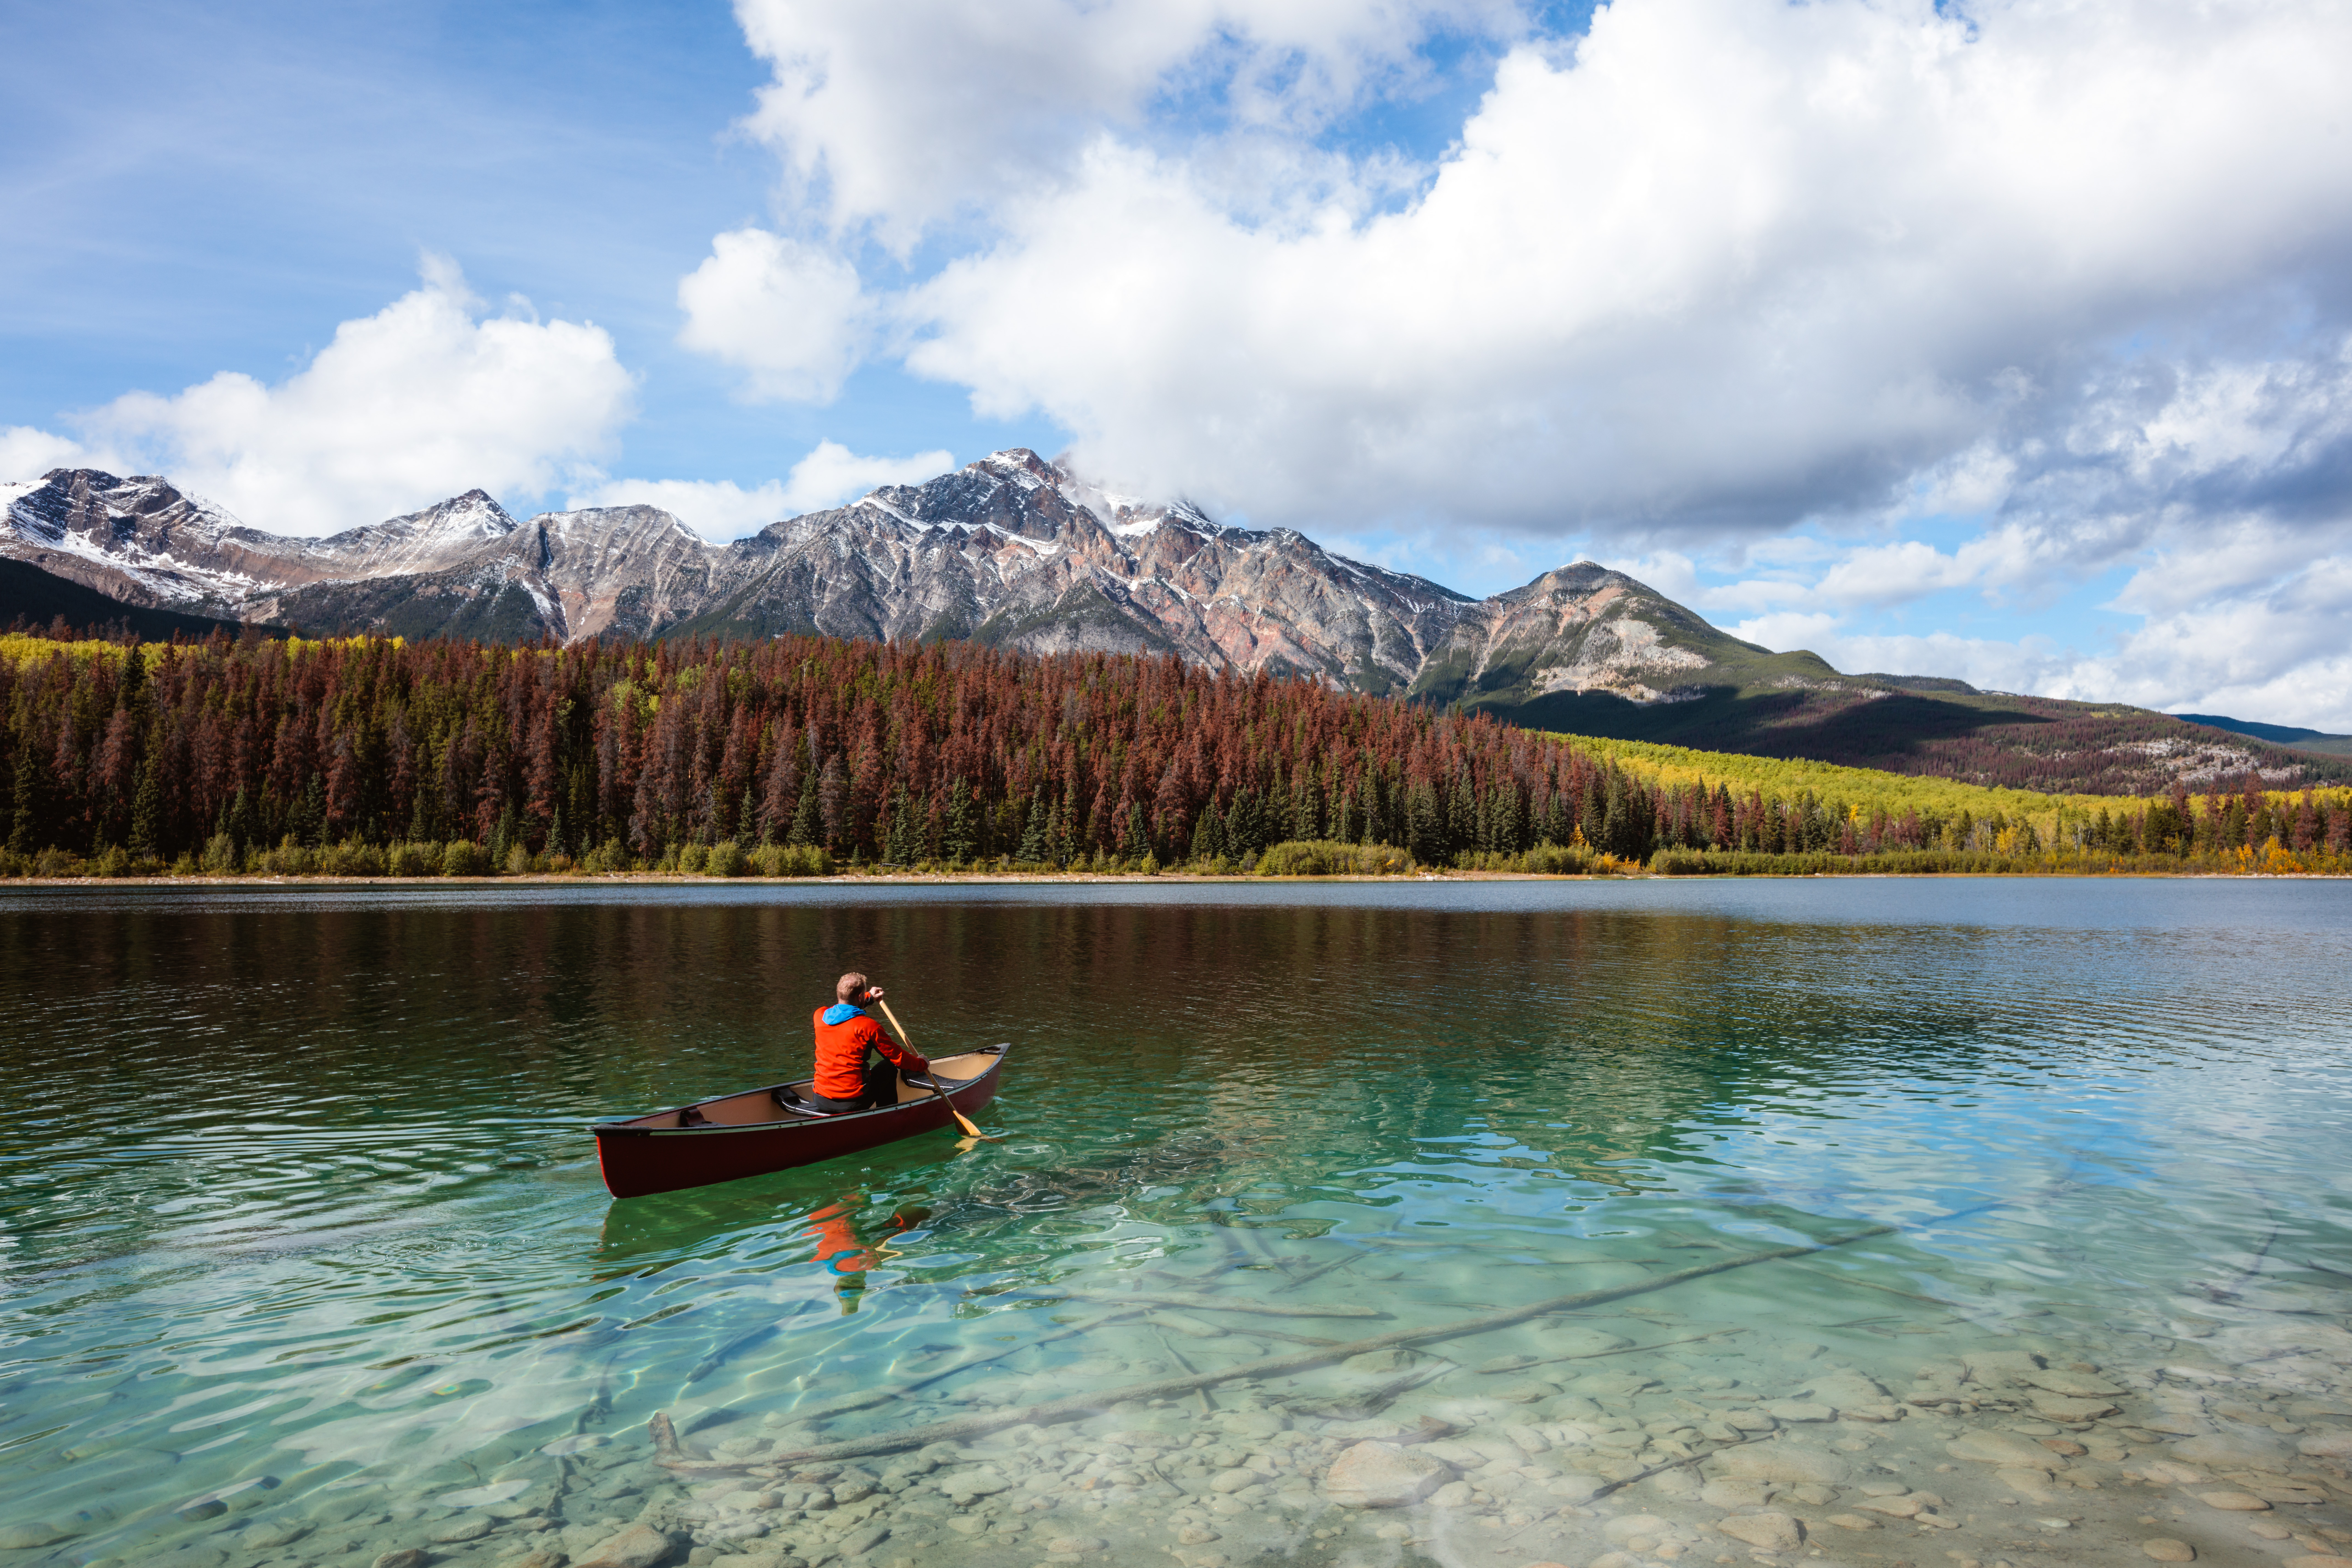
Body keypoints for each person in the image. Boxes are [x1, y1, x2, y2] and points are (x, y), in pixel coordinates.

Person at [809, 972, 930, 1111]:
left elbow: (844, 1011)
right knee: (889, 1068)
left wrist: (870, 998)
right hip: (853, 1102)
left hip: (821, 1099)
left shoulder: (820, 1016)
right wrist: (921, 1064)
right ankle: (888, 1119)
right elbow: (897, 1059)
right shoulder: (869, 1027)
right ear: (860, 996)